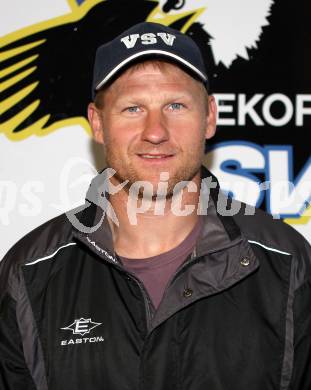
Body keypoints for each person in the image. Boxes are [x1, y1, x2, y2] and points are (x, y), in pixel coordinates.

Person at [0, 22, 311, 390]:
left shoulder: (287, 265)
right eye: (133, 108)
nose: (155, 131)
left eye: (176, 105)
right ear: (98, 124)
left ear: (209, 116)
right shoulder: (29, 274)